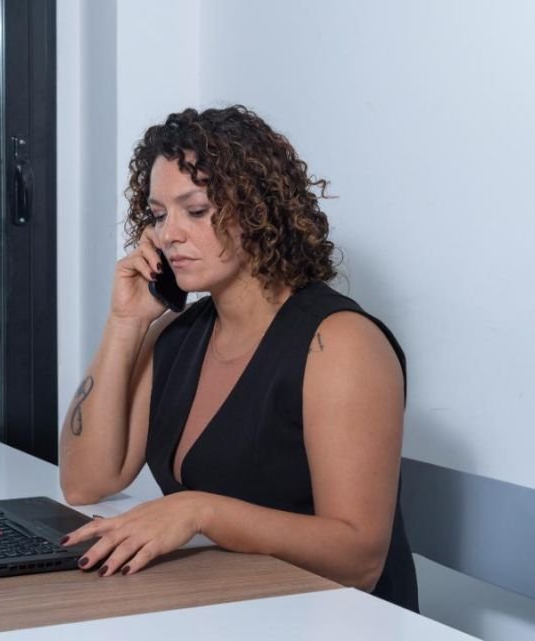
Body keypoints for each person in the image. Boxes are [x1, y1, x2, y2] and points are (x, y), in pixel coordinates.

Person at [58, 105, 418, 611]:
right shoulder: (178, 336)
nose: (169, 234)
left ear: (258, 209)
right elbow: (85, 483)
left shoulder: (339, 343)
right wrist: (125, 324)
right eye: (159, 215)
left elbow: (361, 559)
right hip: (238, 605)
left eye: (196, 210)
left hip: (340, 620)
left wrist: (200, 511)